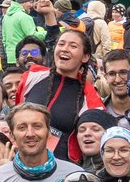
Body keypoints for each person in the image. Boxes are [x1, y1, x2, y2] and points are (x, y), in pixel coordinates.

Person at [21, 28, 104, 164]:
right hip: (22, 161)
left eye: (73, 46)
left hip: (61, 170)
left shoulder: (90, 99)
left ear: (85, 57)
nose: (65, 49)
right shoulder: (32, 78)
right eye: (61, 44)